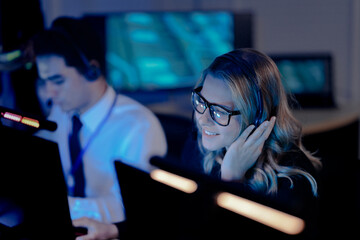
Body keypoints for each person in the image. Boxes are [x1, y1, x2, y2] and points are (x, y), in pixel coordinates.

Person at [72, 48, 322, 239]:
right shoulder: (198, 148)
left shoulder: (293, 180)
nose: (201, 119)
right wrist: (113, 230)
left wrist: (231, 178)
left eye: (219, 111)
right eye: (201, 101)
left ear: (257, 119)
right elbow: (179, 222)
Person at [31, 16, 167, 232]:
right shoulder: (62, 112)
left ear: (91, 70)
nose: (49, 93)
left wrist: (67, 206)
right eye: (44, 81)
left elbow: (133, 207)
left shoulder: (139, 126)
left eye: (57, 81)